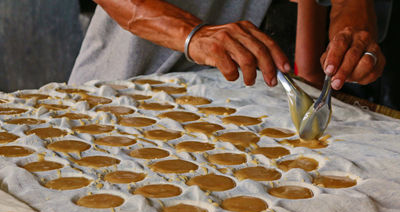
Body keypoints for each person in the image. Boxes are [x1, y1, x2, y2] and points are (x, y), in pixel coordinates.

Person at [69, 0, 385, 92]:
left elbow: (350, 5)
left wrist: (352, 40)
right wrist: (194, 36)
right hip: (119, 87)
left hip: (227, 95)